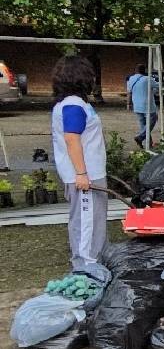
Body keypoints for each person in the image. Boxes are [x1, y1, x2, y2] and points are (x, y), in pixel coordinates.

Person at [51, 55, 108, 271]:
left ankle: (94, 264)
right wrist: (81, 174)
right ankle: (86, 269)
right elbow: (72, 139)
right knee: (86, 224)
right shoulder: (73, 105)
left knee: (93, 222)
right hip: (85, 177)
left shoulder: (75, 104)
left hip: (91, 173)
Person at [126, 63, 159, 148]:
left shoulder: (131, 79)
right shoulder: (148, 79)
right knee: (151, 122)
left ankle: (148, 144)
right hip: (148, 106)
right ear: (144, 71)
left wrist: (128, 104)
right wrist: (154, 89)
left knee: (143, 126)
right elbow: (158, 86)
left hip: (137, 106)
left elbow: (129, 92)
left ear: (135, 70)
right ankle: (140, 138)